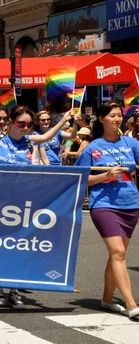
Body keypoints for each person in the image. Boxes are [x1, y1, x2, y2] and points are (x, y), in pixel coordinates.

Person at [0, 95, 77, 308]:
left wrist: (64, 119)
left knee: (19, 247)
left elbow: (48, 135)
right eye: (21, 123)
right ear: (12, 122)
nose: (25, 128)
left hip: (21, 205)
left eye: (30, 125)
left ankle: (13, 290)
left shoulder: (30, 142)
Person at [75, 102, 139, 319]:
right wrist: (105, 176)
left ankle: (107, 299)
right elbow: (80, 180)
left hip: (130, 204)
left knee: (117, 255)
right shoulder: (93, 148)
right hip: (103, 205)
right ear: (101, 119)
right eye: (112, 115)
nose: (117, 119)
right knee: (118, 253)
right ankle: (132, 305)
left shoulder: (131, 143)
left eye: (119, 115)